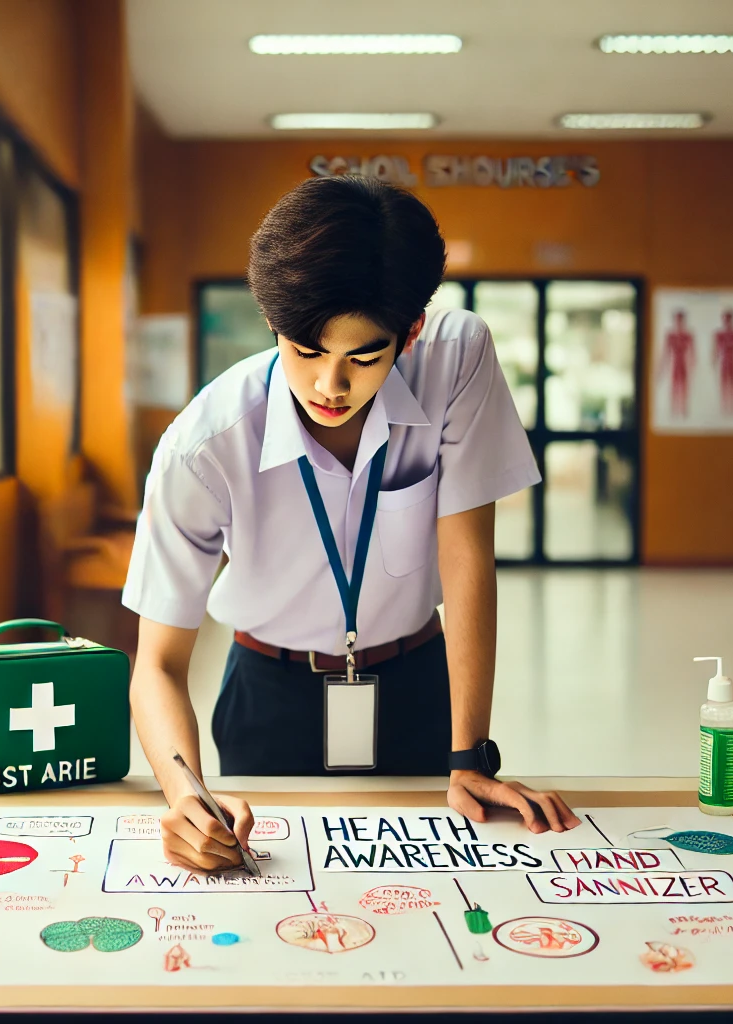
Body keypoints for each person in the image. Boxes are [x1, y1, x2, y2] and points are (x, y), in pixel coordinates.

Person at [122, 176, 580, 874]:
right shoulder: (206, 444)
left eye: (363, 356)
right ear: (273, 324)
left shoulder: (454, 360)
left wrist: (470, 753)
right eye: (307, 352)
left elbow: (466, 559)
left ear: (411, 332)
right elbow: (156, 663)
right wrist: (187, 795)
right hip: (270, 693)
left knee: (434, 899)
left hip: (416, 681)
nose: (329, 387)